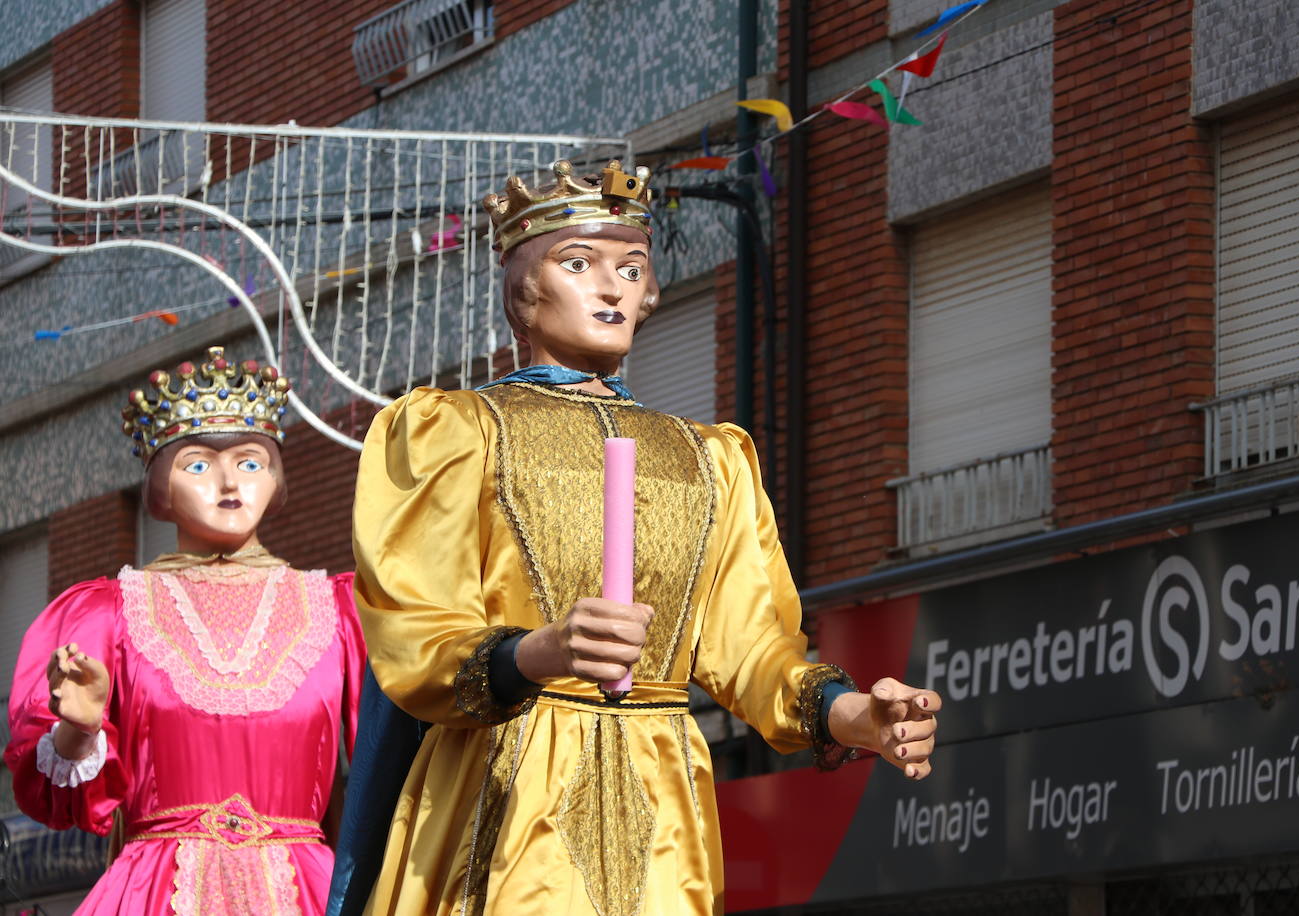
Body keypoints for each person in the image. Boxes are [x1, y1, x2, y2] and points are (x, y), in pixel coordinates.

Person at [341, 161, 941, 916]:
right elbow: (417, 634)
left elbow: (751, 647)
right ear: (522, 291)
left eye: (631, 267)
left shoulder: (709, 457)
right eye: (578, 263)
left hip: (660, 797)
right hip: (507, 785)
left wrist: (853, 717)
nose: (612, 287)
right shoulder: (454, 432)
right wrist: (539, 651)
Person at [4, 347, 367, 915]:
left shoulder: (342, 612)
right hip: (155, 892)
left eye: (250, 463)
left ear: (275, 478)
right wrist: (78, 732)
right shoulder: (109, 614)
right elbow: (54, 797)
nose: (229, 483)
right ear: (158, 489)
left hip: (303, 890)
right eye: (197, 465)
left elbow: (402, 760)